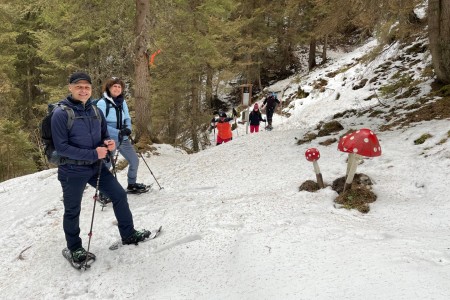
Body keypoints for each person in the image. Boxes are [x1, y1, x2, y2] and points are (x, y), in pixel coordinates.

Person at [52, 71, 151, 264]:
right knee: (72, 209)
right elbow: (61, 147)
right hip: (72, 170)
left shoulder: (95, 110)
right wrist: (93, 154)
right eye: (79, 87)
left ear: (91, 89)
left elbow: (104, 135)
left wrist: (109, 144)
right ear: (70, 88)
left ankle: (128, 234)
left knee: (119, 195)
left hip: (95, 167)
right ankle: (74, 248)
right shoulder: (60, 114)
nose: (83, 90)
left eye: (87, 87)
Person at [95, 77, 148, 203]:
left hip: (123, 137)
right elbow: (100, 123)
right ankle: (103, 192)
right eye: (114, 86)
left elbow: (127, 118)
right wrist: (117, 132)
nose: (117, 89)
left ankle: (131, 184)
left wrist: (127, 129)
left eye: (119, 87)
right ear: (109, 88)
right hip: (108, 138)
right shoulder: (102, 103)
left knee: (134, 160)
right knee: (107, 165)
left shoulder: (122, 102)